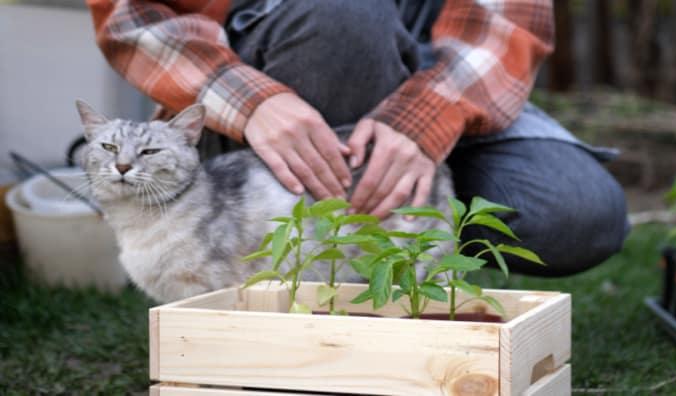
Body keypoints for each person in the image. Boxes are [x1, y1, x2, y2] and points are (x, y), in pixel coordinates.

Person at [86, 0, 629, 276]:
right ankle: (281, 240)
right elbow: (132, 14)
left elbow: (505, 21)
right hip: (284, 64)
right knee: (343, 15)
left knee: (577, 210)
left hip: (450, 74)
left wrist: (430, 113)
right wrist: (252, 100)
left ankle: (405, 231)